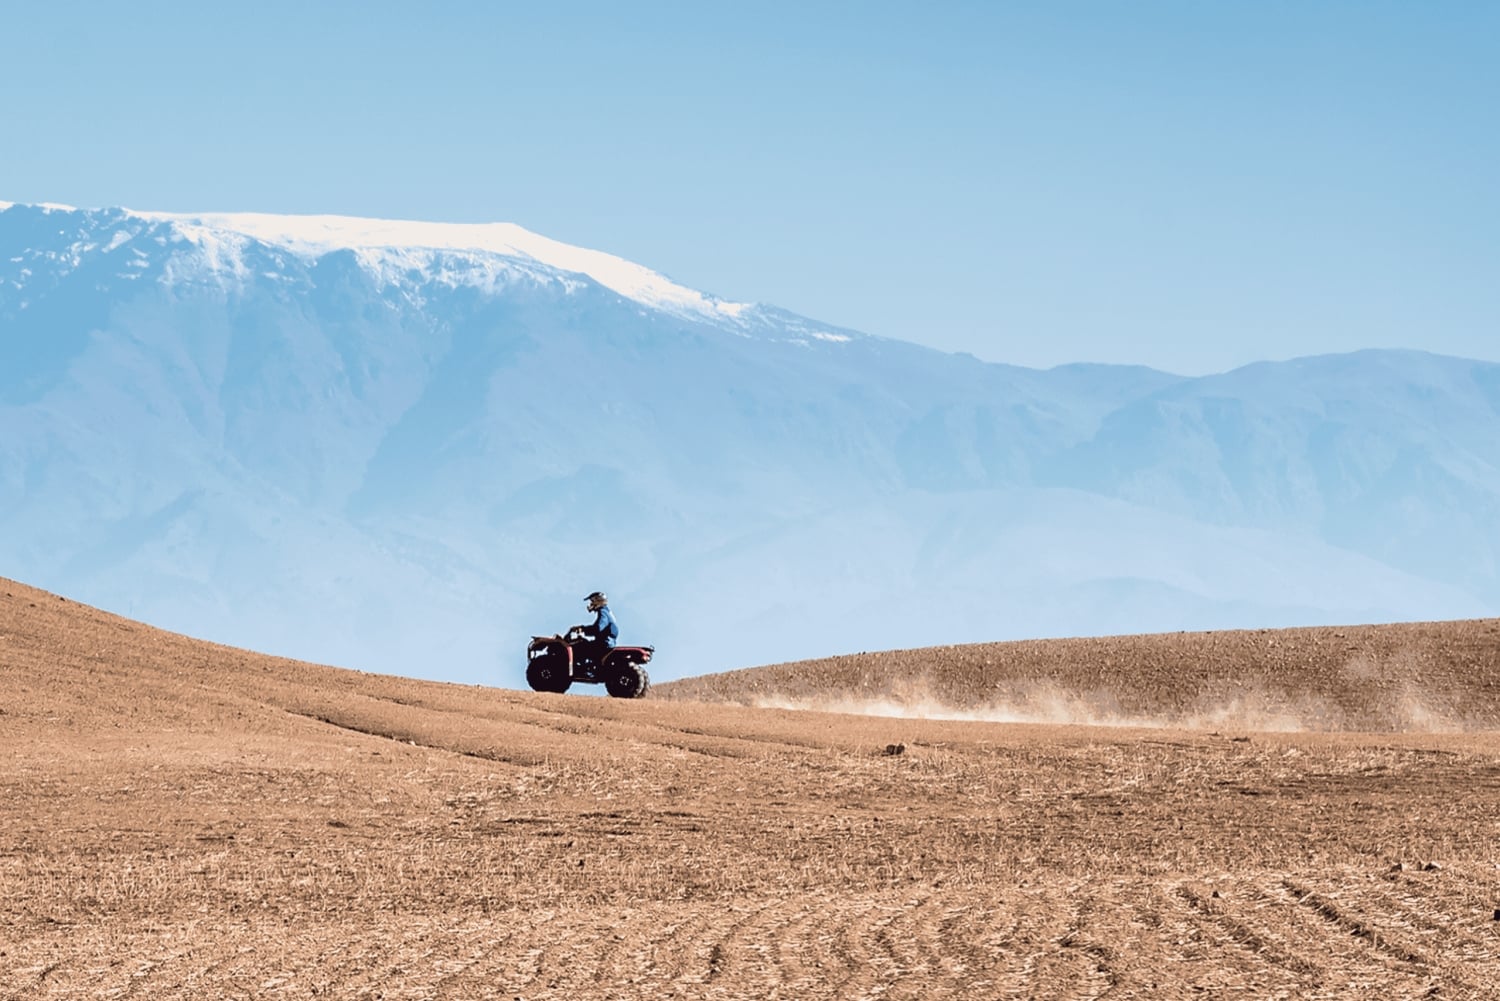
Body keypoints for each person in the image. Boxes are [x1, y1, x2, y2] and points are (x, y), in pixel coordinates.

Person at [573, 590, 618, 666]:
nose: (591, 604)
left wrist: (583, 629)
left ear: (598, 601)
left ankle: (585, 671)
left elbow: (598, 628)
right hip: (608, 642)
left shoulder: (603, 612)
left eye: (592, 601)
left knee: (580, 646)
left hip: (604, 643)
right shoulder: (607, 612)